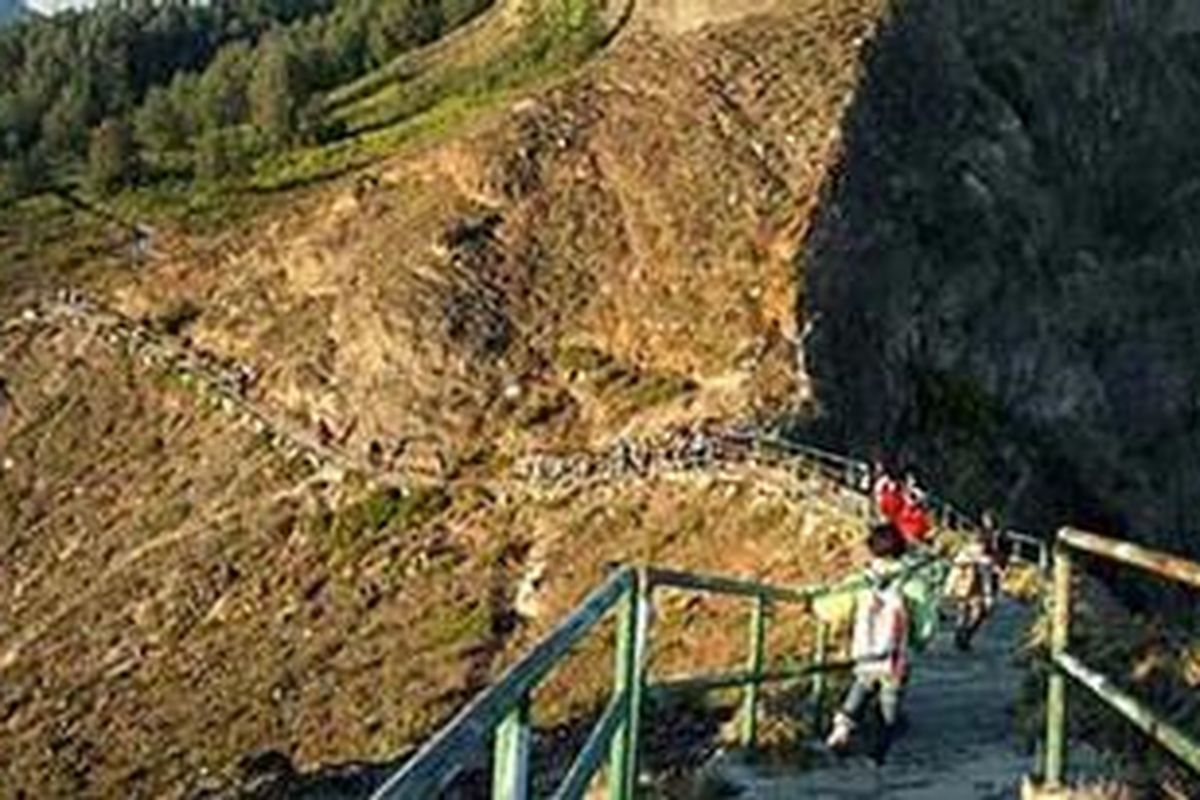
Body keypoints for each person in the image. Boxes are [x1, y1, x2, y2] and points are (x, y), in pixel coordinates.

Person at [822, 523, 914, 764]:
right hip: (896, 656)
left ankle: (841, 730)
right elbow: (926, 622)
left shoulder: (861, 579)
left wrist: (815, 605)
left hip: (866, 651)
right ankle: (878, 750)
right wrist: (919, 641)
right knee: (890, 701)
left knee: (861, 687)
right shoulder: (913, 581)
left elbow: (834, 607)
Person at [943, 523, 1000, 651]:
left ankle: (963, 635)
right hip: (966, 588)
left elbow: (986, 578)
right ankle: (962, 636)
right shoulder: (966, 555)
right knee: (967, 613)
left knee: (973, 613)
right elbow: (955, 572)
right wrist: (949, 588)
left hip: (973, 589)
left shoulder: (983, 559)